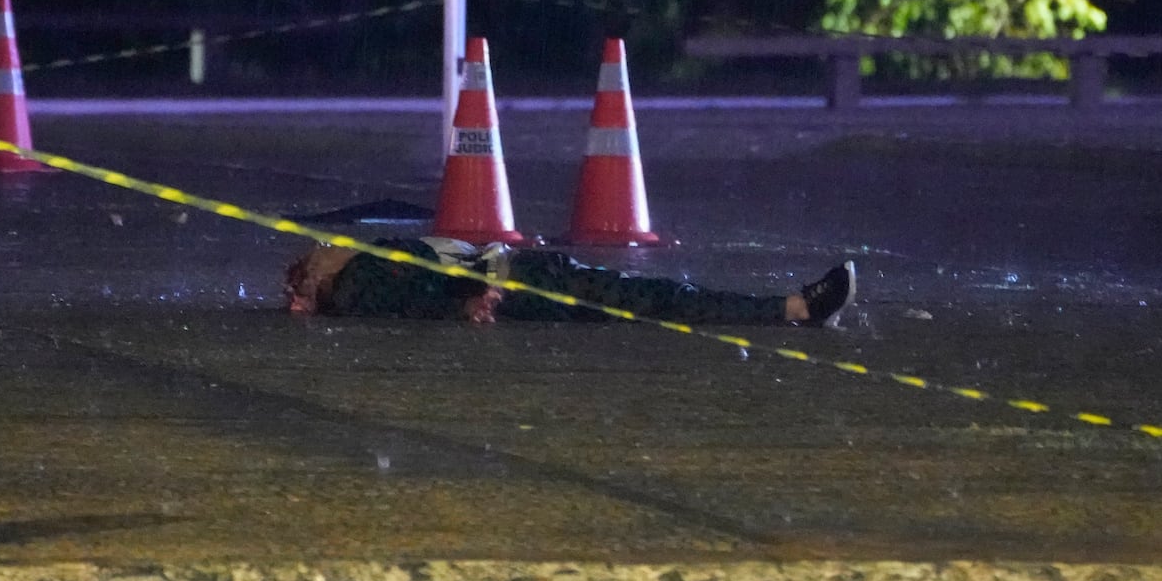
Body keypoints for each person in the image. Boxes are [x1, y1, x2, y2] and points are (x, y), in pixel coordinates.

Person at [285, 237, 856, 327]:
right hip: (513, 281)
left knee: (656, 298)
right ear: (317, 275)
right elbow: (413, 291)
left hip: (511, 273)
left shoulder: (361, 275)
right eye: (321, 251)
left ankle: (790, 306)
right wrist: (467, 299)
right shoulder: (359, 277)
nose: (334, 245)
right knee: (658, 298)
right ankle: (794, 308)